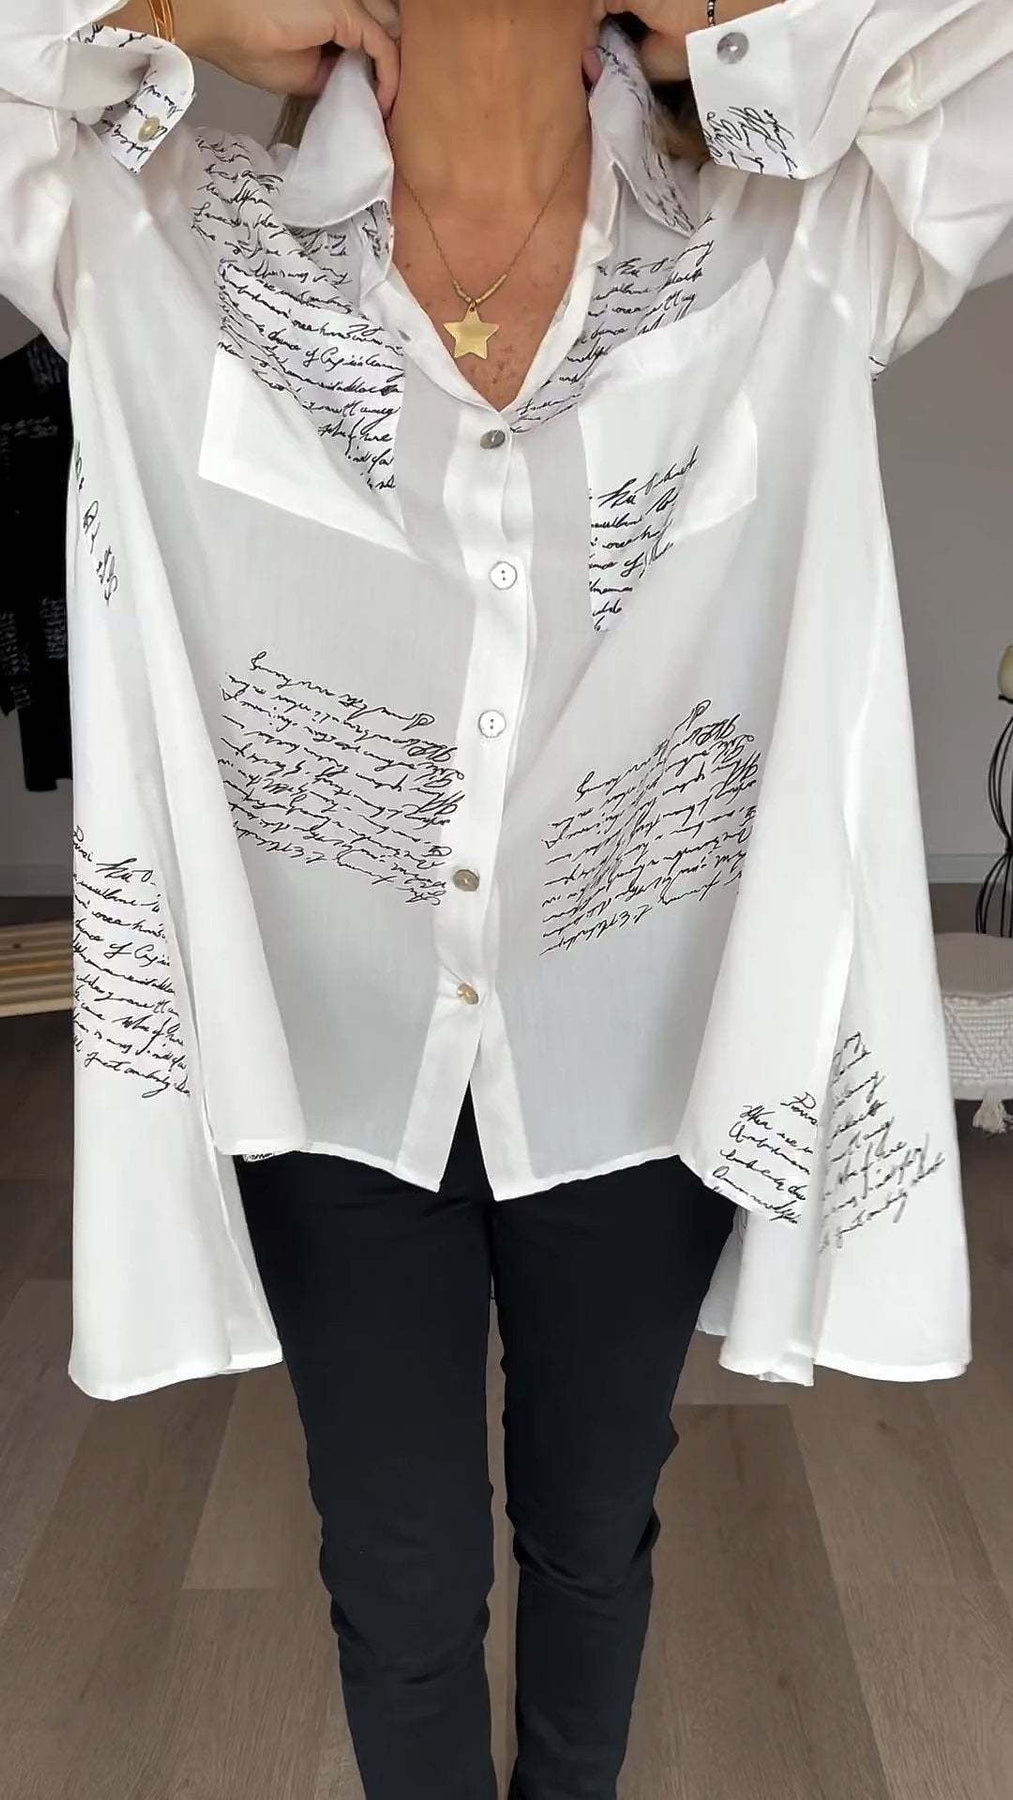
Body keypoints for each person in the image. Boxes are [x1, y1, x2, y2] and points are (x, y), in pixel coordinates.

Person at [2, 0, 1012, 1795]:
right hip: (329, 1054)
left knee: (593, 1531)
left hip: (631, 1047)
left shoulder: (782, 250)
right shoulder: (160, 236)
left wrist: (737, 27)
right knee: (396, 1575)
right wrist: (164, 14)